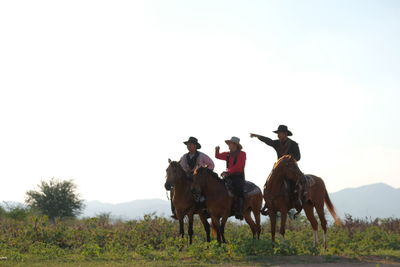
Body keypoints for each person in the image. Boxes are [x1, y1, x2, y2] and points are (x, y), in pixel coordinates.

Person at [250, 125, 302, 212]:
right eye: (277, 133)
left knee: (295, 182)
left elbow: (298, 157)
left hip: (290, 168)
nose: (278, 135)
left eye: (279, 133)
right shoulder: (277, 143)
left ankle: (297, 201)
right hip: (279, 169)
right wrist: (258, 136)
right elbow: (268, 141)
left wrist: (290, 158)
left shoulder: (293, 144)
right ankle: (268, 202)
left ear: (285, 134)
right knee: (269, 181)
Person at [170, 137, 214, 219]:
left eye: (190, 144)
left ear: (195, 146)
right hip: (186, 178)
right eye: (187, 145)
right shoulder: (184, 156)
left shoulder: (202, 155)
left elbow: (211, 164)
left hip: (198, 178)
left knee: (204, 190)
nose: (188, 146)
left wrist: (204, 173)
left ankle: (205, 209)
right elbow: (180, 167)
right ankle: (175, 211)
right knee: (173, 190)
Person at [215, 136, 246, 220]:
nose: (228, 145)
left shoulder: (242, 154)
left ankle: (239, 210)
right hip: (228, 176)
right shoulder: (228, 154)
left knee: (238, 189)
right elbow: (217, 156)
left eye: (230, 143)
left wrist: (227, 172)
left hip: (238, 176)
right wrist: (217, 150)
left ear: (235, 145)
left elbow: (239, 166)